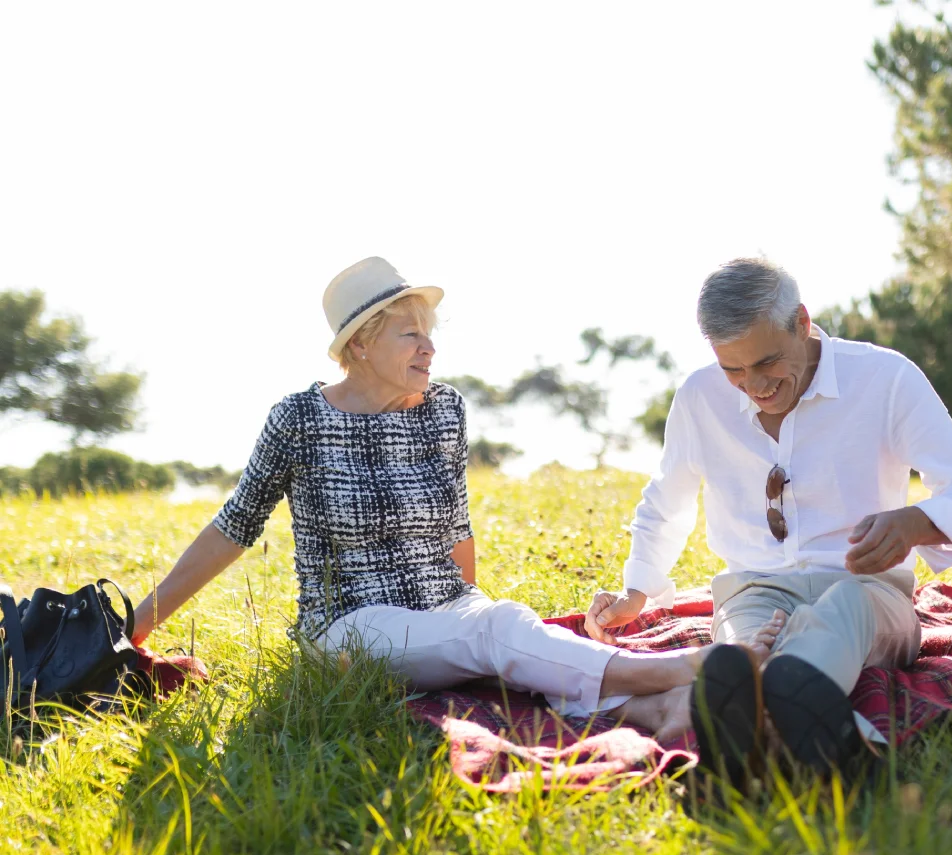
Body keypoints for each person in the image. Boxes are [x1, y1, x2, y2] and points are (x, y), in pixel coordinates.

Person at [132, 256, 779, 729]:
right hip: (347, 629)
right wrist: (136, 627)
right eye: (409, 333)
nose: (430, 346)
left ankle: (665, 711)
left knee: (503, 628)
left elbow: (456, 531)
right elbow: (232, 527)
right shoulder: (299, 420)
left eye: (430, 331)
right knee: (495, 638)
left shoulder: (443, 411)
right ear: (359, 343)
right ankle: (691, 672)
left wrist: (472, 604)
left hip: (446, 607)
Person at [585, 257, 952, 780]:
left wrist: (915, 522)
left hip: (868, 590)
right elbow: (667, 500)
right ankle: (829, 742)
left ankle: (758, 737)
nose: (753, 384)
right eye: (732, 369)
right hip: (751, 590)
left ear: (802, 323)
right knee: (740, 652)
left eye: (767, 362)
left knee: (843, 609)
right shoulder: (698, 397)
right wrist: (637, 591)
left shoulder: (885, 377)